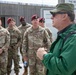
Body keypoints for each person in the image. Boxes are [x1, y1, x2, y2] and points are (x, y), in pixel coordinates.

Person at [37, 3, 76, 75]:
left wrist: (44, 56)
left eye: (54, 15)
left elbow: (64, 67)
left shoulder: (73, 38)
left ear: (64, 16)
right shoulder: (64, 35)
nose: (51, 17)